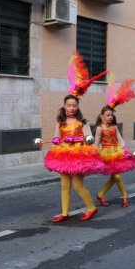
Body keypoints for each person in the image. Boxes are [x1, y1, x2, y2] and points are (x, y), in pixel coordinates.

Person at [44, 51, 105, 222]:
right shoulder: (60, 121)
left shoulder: (82, 121)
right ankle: (64, 213)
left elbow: (88, 137)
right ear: (64, 106)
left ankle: (91, 208)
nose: (71, 108)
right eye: (68, 105)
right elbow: (56, 137)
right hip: (63, 155)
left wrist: (86, 139)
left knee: (77, 185)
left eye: (74, 106)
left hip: (79, 155)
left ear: (77, 107)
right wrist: (56, 140)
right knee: (64, 185)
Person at [95, 77, 135, 207]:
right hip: (106, 154)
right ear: (102, 116)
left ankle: (101, 195)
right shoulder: (99, 128)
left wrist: (125, 150)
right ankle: (124, 196)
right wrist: (93, 153)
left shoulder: (114, 127)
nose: (110, 117)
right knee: (116, 177)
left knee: (115, 177)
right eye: (108, 115)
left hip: (117, 152)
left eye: (111, 115)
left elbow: (120, 139)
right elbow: (96, 142)